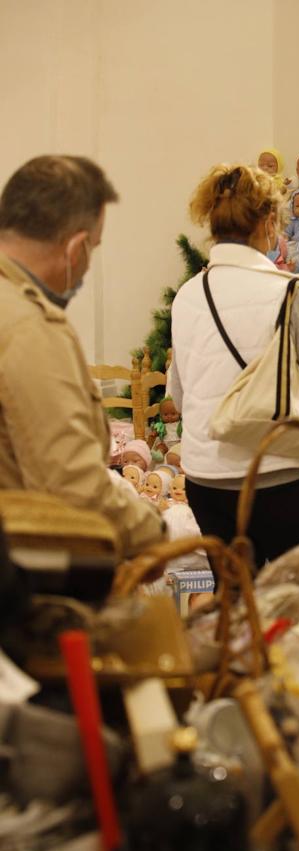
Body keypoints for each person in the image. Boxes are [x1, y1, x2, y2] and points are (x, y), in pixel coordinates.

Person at [170, 163, 299, 568]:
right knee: (291, 598)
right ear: (269, 222)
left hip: (205, 478)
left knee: (235, 598)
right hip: (275, 476)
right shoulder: (287, 293)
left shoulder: (186, 295)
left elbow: (180, 397)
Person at [0, 155, 163, 557]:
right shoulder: (29, 327)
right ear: (76, 248)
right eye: (94, 246)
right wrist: (152, 533)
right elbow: (72, 485)